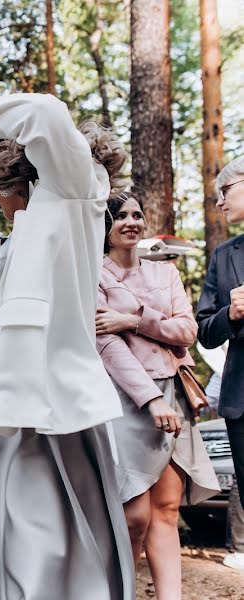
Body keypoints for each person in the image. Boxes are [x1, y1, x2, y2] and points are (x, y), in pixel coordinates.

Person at [0, 94, 136, 600]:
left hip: (32, 389)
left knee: (35, 522)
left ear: (12, 186)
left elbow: (44, 112)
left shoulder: (72, 200)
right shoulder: (16, 236)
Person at [95, 192, 219, 598]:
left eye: (136, 215)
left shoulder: (165, 273)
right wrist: (151, 400)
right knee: (134, 515)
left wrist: (132, 320)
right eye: (120, 217)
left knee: (168, 507)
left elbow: (187, 331)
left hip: (174, 393)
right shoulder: (94, 275)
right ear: (105, 226)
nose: (131, 222)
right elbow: (107, 346)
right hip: (125, 398)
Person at [197, 155, 244, 515]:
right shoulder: (224, 255)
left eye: (225, 191)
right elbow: (205, 331)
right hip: (241, 402)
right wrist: (231, 313)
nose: (220, 202)